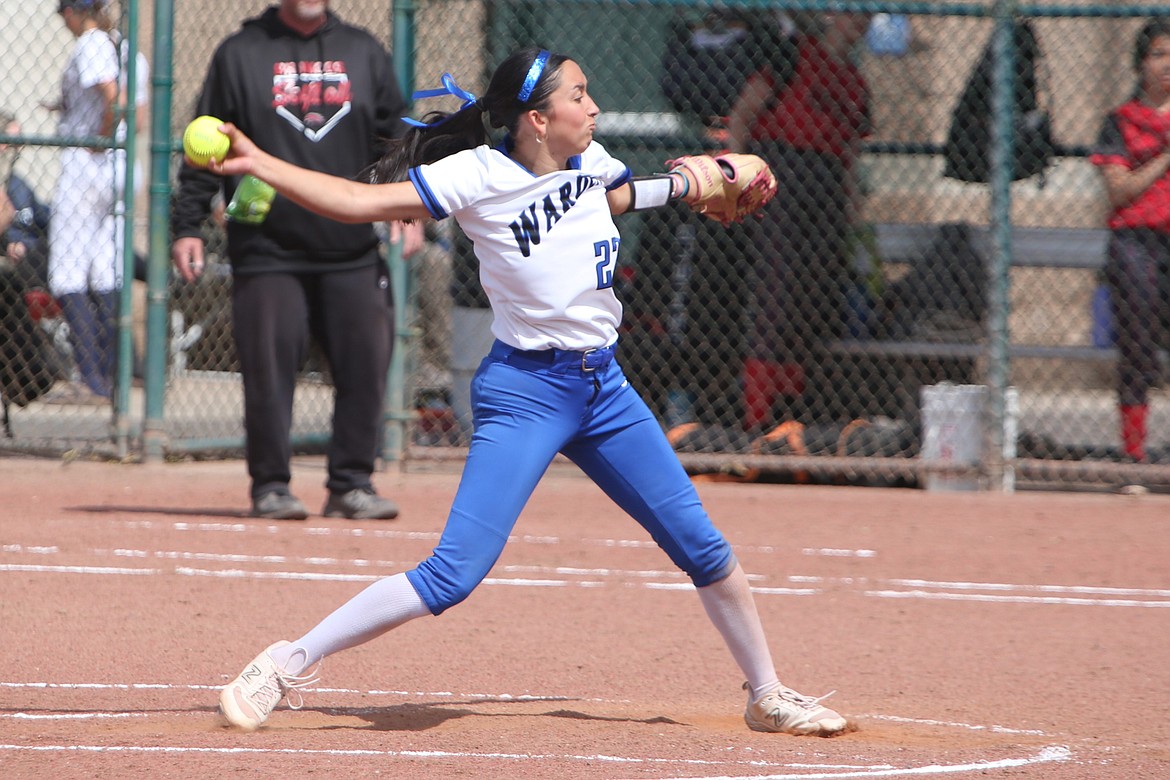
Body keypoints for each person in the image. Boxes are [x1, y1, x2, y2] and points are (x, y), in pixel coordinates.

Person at [199, 47, 851, 738]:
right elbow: (361, 203)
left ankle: (768, 694)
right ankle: (284, 662)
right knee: (452, 576)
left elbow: (619, 196)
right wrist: (261, 163)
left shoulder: (592, 162)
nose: (593, 106)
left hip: (604, 390)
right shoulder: (478, 174)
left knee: (703, 547)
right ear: (537, 120)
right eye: (579, 94)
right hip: (526, 393)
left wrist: (691, 184)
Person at [170, 0, 424, 521]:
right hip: (267, 248)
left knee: (366, 366)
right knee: (268, 373)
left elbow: (398, 137)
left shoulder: (363, 49)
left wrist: (409, 207)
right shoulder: (240, 52)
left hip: (351, 247)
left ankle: (352, 483)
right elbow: (207, 142)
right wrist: (187, 225)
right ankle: (271, 486)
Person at [727, 12, 872, 432]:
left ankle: (790, 412)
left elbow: (849, 155)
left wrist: (850, 207)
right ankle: (757, 415)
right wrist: (738, 178)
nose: (859, 21)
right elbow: (742, 117)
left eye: (866, 15)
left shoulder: (856, 83)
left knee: (810, 298)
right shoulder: (794, 55)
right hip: (782, 174)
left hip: (825, 185)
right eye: (851, 12)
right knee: (776, 292)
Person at [1090, 17, 1170, 464]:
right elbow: (1119, 188)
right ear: (1140, 63)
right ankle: (1134, 454)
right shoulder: (1121, 121)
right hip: (1137, 243)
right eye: (1158, 54)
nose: (1168, 64)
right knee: (1138, 349)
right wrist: (1164, 157)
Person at [44, 0, 125, 405]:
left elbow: (115, 98)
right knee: (103, 270)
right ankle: (111, 377)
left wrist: (100, 136)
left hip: (86, 164)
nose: (63, 21)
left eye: (64, 13)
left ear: (77, 12)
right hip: (107, 168)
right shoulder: (108, 41)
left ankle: (92, 378)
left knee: (67, 273)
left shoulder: (91, 41)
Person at [0, 110, 52, 291]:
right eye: (11, 141)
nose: (18, 147)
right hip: (13, 254)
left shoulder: (18, 184)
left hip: (32, 251)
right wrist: (9, 242)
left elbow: (44, 218)